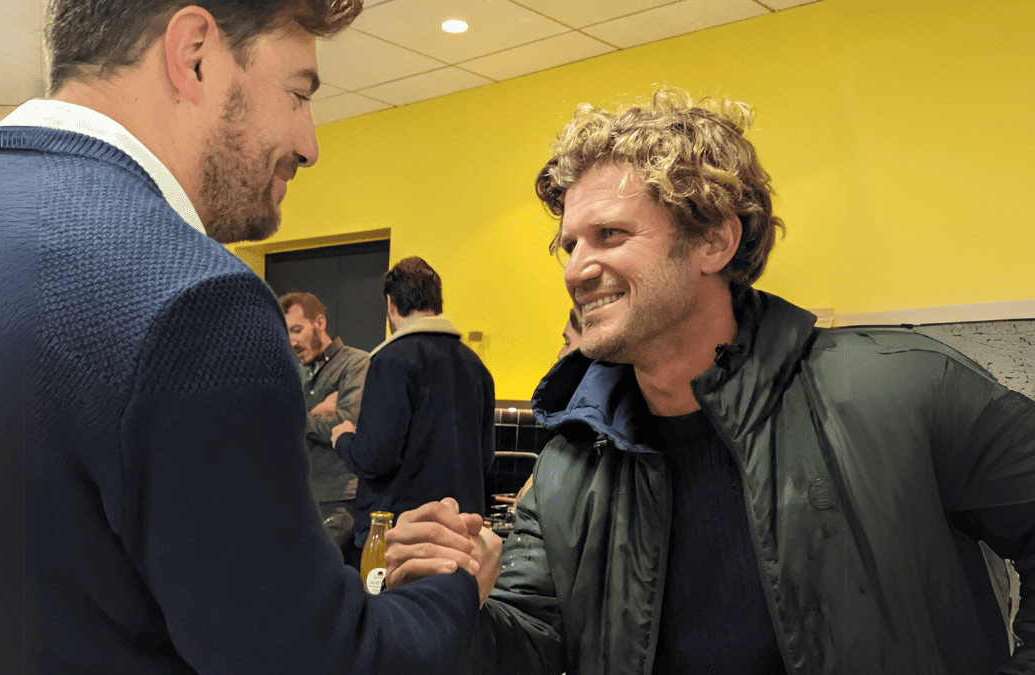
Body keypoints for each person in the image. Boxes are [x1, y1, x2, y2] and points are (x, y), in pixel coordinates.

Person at [0, 1, 495, 672]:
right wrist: (451, 585)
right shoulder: (197, 301)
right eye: (298, 94)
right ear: (194, 53)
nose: (310, 143)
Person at [384, 88, 1035, 674]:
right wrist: (449, 604)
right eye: (569, 244)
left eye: (609, 234)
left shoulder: (901, 389)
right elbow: (523, 643)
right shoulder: (569, 468)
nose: (577, 269)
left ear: (714, 242)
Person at [330, 256, 496, 562]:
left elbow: (376, 458)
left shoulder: (391, 361)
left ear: (391, 305)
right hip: (459, 536)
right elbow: (484, 461)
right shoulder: (476, 366)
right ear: (437, 303)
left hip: (402, 538)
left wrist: (343, 438)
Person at [280, 291, 370, 563]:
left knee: (310, 566)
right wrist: (312, 414)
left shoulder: (356, 363)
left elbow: (346, 423)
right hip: (297, 494)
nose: (293, 342)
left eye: (298, 330)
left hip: (339, 498)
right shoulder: (294, 369)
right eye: (288, 333)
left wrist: (296, 416)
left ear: (319, 323)